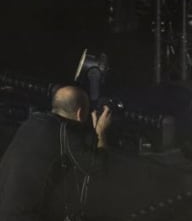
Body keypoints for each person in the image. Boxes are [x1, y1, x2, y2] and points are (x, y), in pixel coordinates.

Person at [0, 85, 112, 221]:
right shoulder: (66, 131)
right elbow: (98, 167)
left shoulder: (32, 122)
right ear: (80, 113)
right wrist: (101, 132)